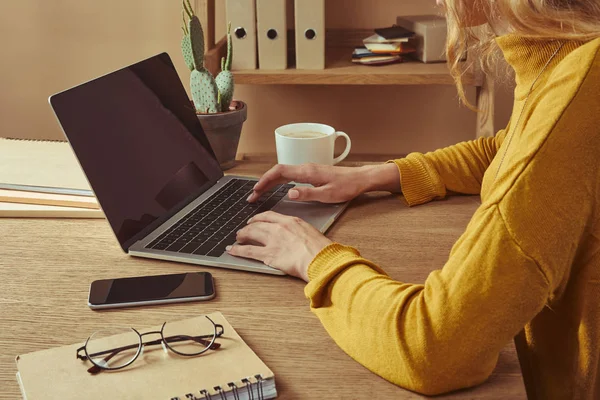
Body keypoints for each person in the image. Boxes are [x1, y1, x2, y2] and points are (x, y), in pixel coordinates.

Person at [226, 0, 600, 397]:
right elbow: (510, 149)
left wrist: (314, 258)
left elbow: (436, 348)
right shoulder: (570, 54)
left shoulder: (582, 84)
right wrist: (377, 175)